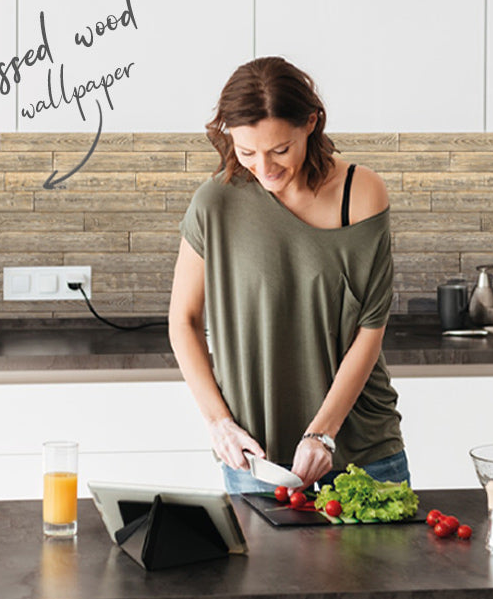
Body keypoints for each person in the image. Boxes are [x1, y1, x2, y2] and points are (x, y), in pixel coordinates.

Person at [168, 56, 408, 494]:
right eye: (247, 152)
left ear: (311, 123)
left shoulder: (360, 192)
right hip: (257, 459)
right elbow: (182, 320)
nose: (264, 168)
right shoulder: (214, 204)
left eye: (280, 150)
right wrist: (219, 424)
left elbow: (370, 329)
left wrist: (323, 433)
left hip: (363, 450)